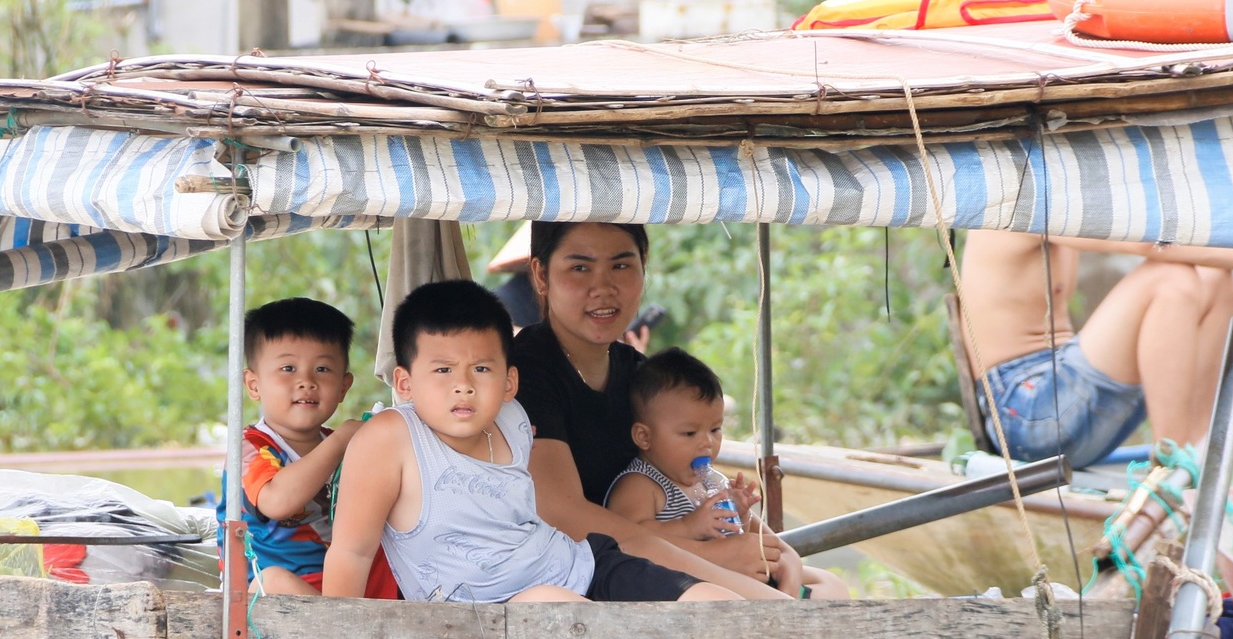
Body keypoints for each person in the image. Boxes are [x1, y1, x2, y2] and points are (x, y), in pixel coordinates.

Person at [319, 280, 740, 603]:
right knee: (554, 606)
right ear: (405, 382)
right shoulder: (389, 439)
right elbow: (352, 553)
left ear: (509, 382)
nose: (463, 386)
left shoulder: (514, 419)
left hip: (582, 564)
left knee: (715, 603)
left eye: (481, 369)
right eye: (443, 371)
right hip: (482, 623)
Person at [508, 220, 792, 600]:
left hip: (656, 554)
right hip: (580, 569)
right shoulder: (525, 372)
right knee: (760, 606)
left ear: (644, 267)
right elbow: (563, 513)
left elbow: (690, 476)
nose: (603, 287)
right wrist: (711, 555)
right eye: (580, 267)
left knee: (821, 588)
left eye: (621, 266)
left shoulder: (639, 372)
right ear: (541, 275)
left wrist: (782, 554)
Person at [958, 232, 1233, 467]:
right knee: (1170, 279)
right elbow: (1149, 243)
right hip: (1026, 413)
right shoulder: (1019, 189)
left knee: (1214, 277)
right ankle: (1168, 467)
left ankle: (1197, 458)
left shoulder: (1057, 187)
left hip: (1061, 399)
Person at [605, 348, 849, 599]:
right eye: (689, 433)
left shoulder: (714, 483)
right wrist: (689, 526)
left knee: (832, 585)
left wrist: (741, 515)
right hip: (697, 585)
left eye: (715, 429)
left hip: (745, 577)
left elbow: (764, 542)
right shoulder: (639, 484)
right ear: (644, 436)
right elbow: (629, 540)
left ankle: (788, 604)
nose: (707, 443)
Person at [224, 297, 399, 598]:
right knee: (274, 581)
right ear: (254, 385)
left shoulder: (342, 444)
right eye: (288, 368)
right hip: (275, 586)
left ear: (344, 386)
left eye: (322, 369)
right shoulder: (249, 446)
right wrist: (343, 440)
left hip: (341, 579)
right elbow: (276, 501)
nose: (306, 381)